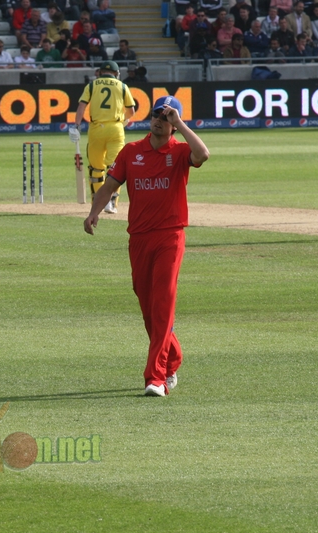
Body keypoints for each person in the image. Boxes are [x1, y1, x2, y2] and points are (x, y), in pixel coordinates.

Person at [83, 96, 210, 397]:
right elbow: (110, 185)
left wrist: (179, 122)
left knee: (163, 305)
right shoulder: (132, 151)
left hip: (170, 236)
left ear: (174, 124)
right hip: (138, 238)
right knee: (148, 308)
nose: (159, 121)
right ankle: (173, 358)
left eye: (166, 118)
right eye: (157, 115)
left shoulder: (179, 152)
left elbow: (203, 154)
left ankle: (156, 378)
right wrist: (93, 212)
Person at [70, 61, 136, 213]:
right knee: (116, 168)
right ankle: (111, 203)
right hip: (116, 129)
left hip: (96, 130)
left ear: (100, 72)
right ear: (115, 73)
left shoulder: (92, 85)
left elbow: (81, 107)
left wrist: (77, 127)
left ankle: (96, 203)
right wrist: (123, 121)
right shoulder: (122, 86)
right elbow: (131, 111)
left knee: (96, 168)